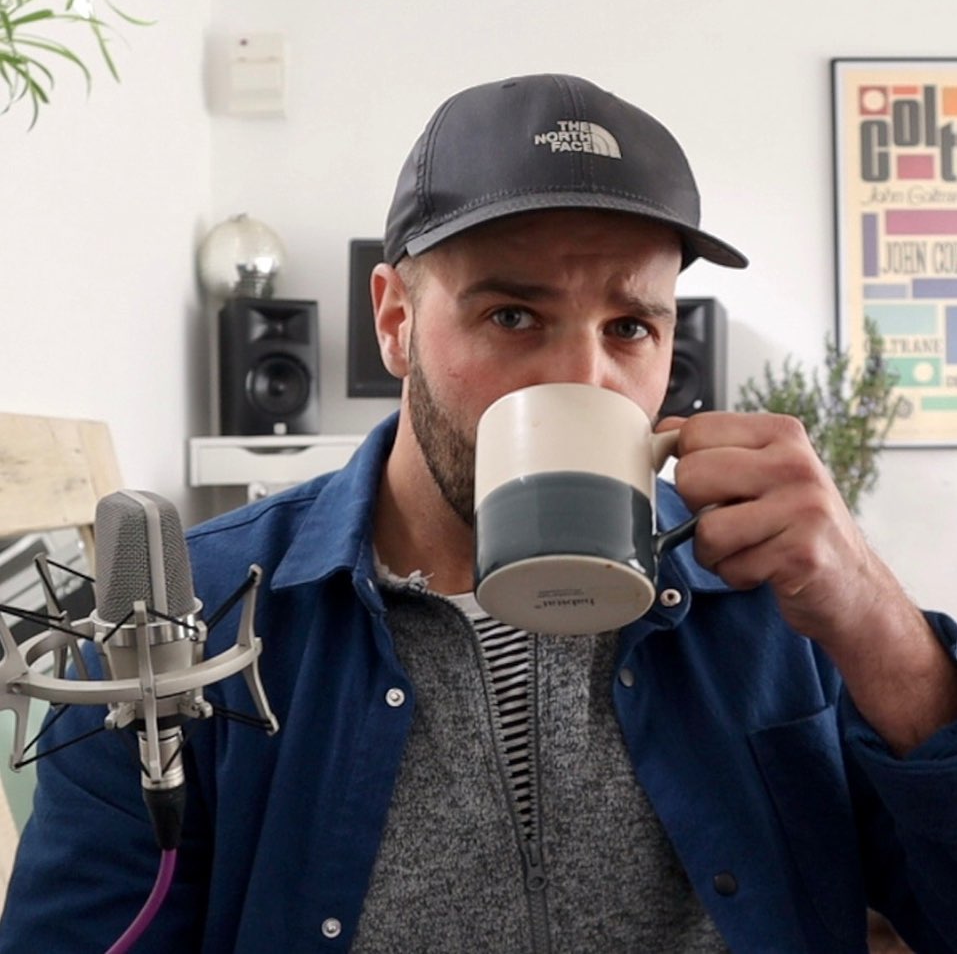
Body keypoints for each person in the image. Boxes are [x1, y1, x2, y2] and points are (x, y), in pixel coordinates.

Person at [2, 72, 956, 954]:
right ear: (394, 320)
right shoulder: (199, 620)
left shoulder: (769, 602)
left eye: (629, 327)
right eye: (511, 315)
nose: (582, 377)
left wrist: (876, 622)